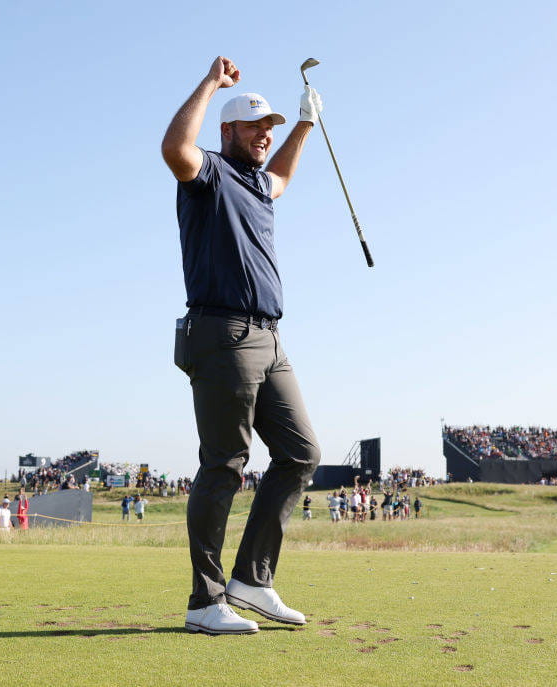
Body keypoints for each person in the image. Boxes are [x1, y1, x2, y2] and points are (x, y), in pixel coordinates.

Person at [162, 56, 323, 636]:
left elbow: (281, 176)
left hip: (269, 338)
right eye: (256, 126)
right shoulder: (207, 173)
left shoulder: (259, 184)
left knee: (302, 452)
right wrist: (209, 83)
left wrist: (303, 126)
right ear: (227, 131)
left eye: (270, 127)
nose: (265, 134)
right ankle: (205, 601)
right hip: (221, 334)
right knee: (225, 465)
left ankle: (252, 579)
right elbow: (173, 150)